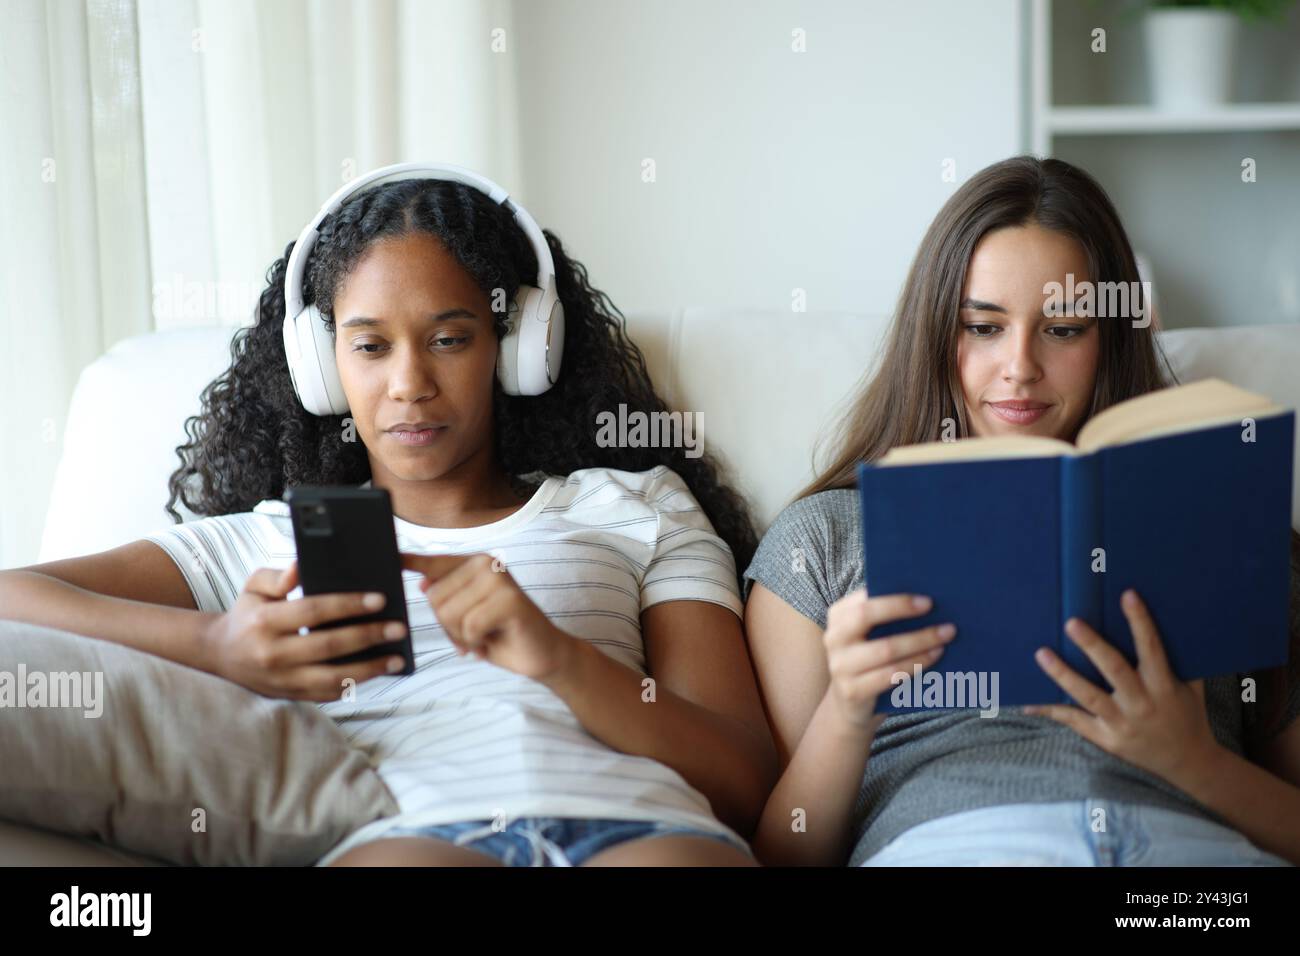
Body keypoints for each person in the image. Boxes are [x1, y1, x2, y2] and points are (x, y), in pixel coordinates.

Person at [5, 165, 777, 867]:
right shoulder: (266, 540)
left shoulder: (638, 505)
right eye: (370, 346)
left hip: (646, 828)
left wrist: (558, 657)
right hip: (419, 835)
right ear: (322, 366)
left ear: (519, 349)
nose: (409, 383)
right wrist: (215, 644)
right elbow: (15, 601)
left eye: (449, 338)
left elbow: (744, 779)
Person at [743, 155, 1300, 867]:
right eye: (983, 326)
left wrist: (1195, 762)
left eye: (1063, 329)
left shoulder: (1227, 530)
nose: (1020, 366)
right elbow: (782, 857)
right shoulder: (821, 540)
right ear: (936, 335)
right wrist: (847, 713)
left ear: (1111, 340)